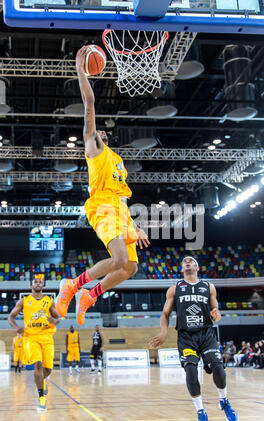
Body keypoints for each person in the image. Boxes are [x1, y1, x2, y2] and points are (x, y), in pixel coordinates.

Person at [55, 46, 149, 326]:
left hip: (119, 209)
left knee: (130, 267)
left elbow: (122, 198)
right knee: (119, 259)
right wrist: (80, 69)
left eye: (104, 131)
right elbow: (89, 104)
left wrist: (133, 226)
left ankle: (90, 294)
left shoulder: (116, 158)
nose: (101, 131)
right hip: (101, 205)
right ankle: (72, 285)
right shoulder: (94, 149)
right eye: (97, 130)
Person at [149, 256, 238, 421]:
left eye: (191, 261)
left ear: (197, 267)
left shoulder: (208, 287)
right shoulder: (175, 289)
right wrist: (164, 331)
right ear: (182, 269)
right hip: (186, 336)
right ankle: (201, 412)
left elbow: (215, 310)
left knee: (218, 369)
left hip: (206, 334)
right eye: (184, 261)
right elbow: (165, 314)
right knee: (191, 370)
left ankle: (224, 400)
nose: (187, 262)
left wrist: (216, 315)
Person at [8, 276, 60, 412]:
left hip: (47, 337)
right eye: (35, 282)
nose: (38, 284)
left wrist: (53, 321)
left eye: (40, 282)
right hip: (31, 337)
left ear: (43, 286)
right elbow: (11, 316)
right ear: (31, 286)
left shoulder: (49, 301)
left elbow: (57, 318)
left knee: (48, 369)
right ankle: (41, 398)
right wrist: (16, 327)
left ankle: (42, 381)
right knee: (37, 365)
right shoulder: (24, 301)